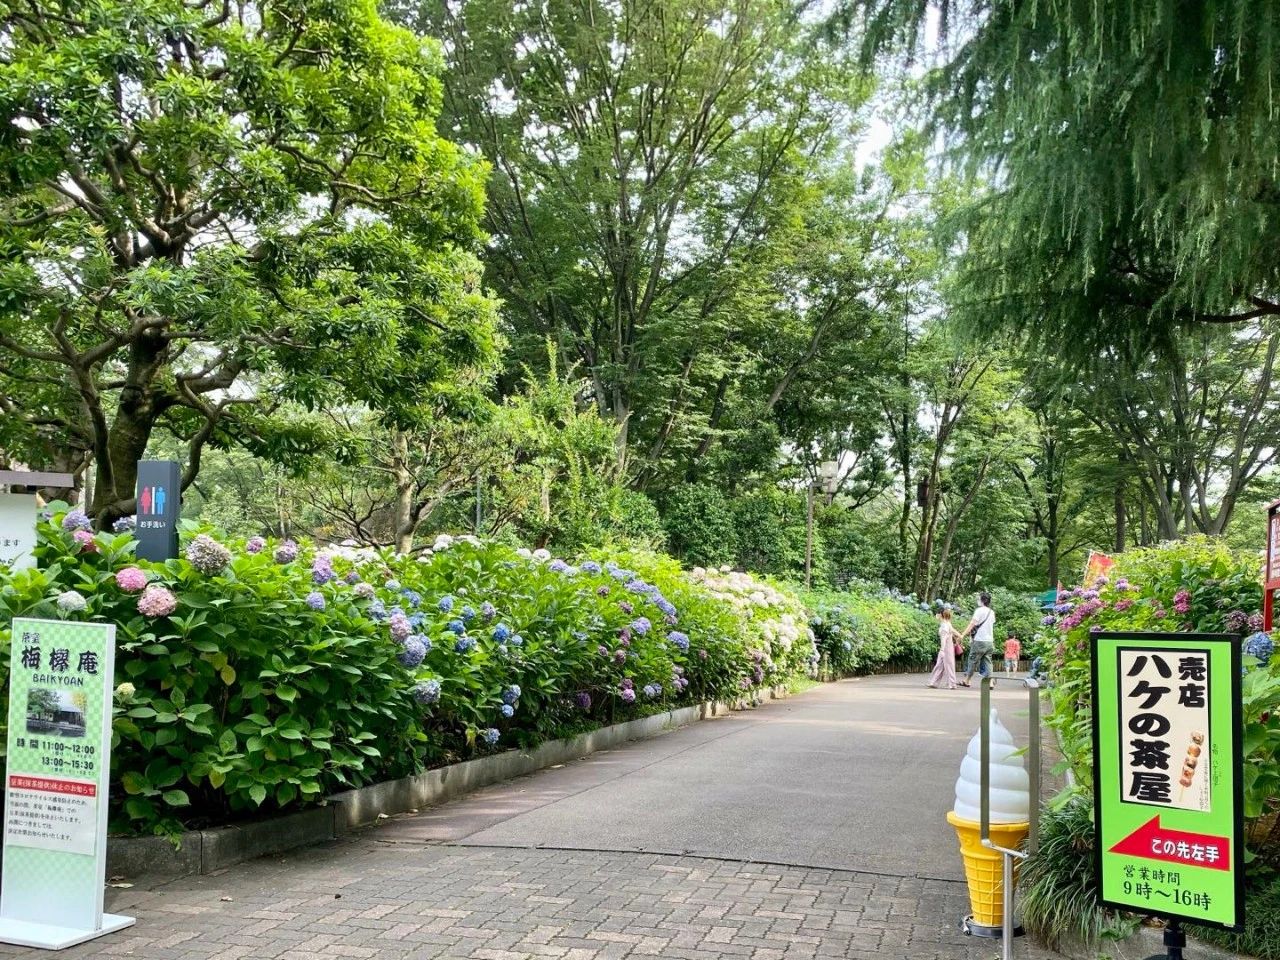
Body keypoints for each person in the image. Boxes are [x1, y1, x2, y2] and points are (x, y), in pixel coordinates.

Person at [959, 592, 996, 688]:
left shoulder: (979, 611)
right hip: (989, 641)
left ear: (983, 600)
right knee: (988, 661)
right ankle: (990, 682)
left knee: (973, 660)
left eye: (979, 599)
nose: (977, 600)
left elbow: (972, 624)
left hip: (979, 640)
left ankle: (967, 680)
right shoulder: (991, 612)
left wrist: (963, 634)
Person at [928, 608, 960, 689]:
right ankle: (934, 682)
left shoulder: (944, 626)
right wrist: (960, 635)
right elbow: (952, 630)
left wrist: (942, 650)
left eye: (937, 614)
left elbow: (943, 638)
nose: (936, 615)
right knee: (940, 665)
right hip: (948, 647)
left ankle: (952, 684)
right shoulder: (947, 623)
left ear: (940, 615)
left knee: (948, 665)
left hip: (946, 648)